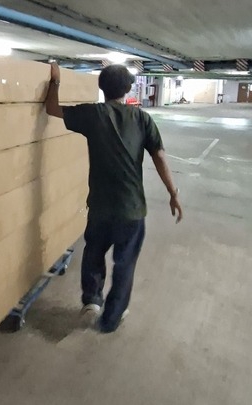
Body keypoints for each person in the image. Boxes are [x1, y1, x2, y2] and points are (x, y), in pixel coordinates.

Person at [44, 63, 183, 333]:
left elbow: (51, 108)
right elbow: (159, 156)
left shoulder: (92, 114)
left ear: (101, 88)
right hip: (131, 209)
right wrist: (173, 194)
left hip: (100, 207)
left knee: (93, 253)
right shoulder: (142, 119)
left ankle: (92, 301)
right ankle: (111, 318)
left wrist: (55, 81)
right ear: (128, 89)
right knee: (124, 264)